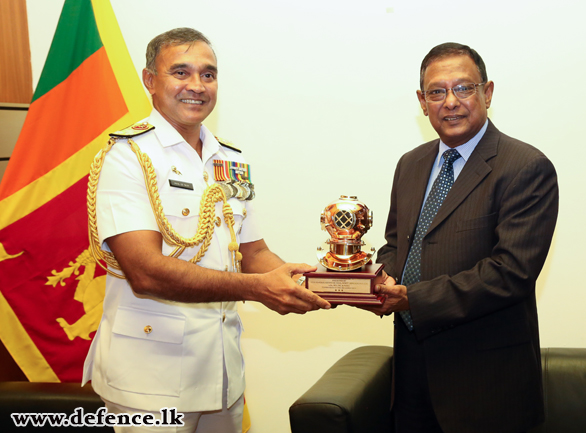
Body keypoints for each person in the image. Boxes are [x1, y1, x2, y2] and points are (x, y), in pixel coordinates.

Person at [82, 28, 330, 433]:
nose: (196, 86)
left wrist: (323, 284)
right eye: (180, 72)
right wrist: (256, 288)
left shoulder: (228, 159)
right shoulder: (127, 157)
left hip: (221, 374)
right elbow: (144, 271)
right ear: (149, 80)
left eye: (208, 74)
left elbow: (252, 254)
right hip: (150, 381)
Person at [360, 43, 559, 433]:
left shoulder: (525, 167)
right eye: (437, 92)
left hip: (486, 386)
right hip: (411, 377)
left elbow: (511, 273)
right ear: (422, 101)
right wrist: (372, 282)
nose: (450, 102)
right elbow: (396, 244)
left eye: (463, 88)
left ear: (487, 93)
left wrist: (411, 298)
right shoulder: (411, 164)